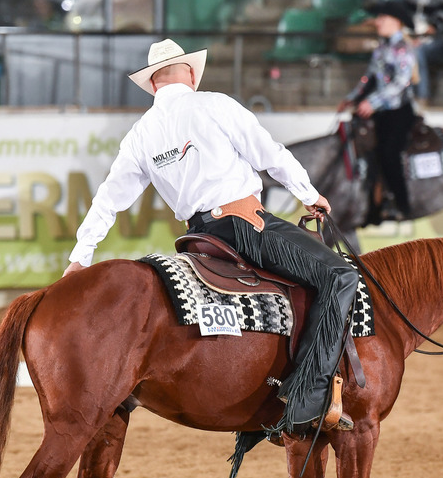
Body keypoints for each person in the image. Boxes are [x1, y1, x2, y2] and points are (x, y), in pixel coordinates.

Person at [63, 39, 359, 435]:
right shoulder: (214, 104)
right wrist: (309, 195)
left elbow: (108, 199)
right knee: (341, 275)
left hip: (198, 237)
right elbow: (270, 154)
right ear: (190, 74)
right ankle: (308, 395)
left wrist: (80, 257)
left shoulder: (140, 134)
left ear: (153, 84)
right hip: (244, 226)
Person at [337, 0, 418, 225]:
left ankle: (402, 204)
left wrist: (372, 102)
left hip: (399, 112)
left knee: (389, 153)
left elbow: (401, 82)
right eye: (379, 17)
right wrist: (353, 97)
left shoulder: (403, 48)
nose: (378, 22)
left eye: (383, 18)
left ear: (396, 22)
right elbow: (369, 77)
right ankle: (374, 203)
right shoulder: (382, 48)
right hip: (382, 111)